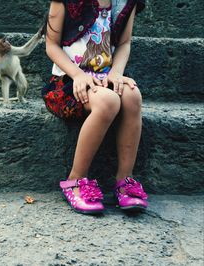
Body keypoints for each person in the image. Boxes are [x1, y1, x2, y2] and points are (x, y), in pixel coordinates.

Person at [43, 0, 148, 214]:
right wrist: (78, 75)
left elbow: (124, 43)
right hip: (69, 81)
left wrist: (116, 73)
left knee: (132, 96)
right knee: (109, 101)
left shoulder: (126, 3)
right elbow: (51, 45)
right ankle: (75, 179)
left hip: (106, 76)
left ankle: (124, 180)